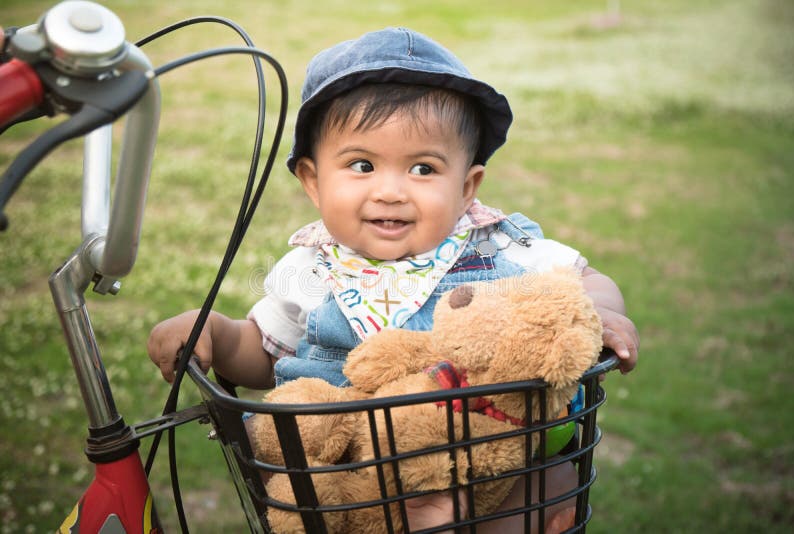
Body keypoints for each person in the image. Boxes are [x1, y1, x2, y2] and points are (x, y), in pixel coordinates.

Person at [148, 27, 639, 533]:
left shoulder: (500, 246)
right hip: (351, 473)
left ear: (467, 187)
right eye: (362, 165)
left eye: (423, 169)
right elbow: (263, 355)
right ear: (313, 182)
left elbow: (585, 278)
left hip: (479, 462)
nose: (390, 191)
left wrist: (601, 311)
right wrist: (214, 332)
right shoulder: (311, 269)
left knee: (550, 476)